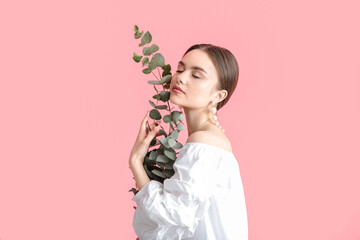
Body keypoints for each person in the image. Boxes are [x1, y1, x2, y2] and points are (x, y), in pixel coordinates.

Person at [129, 44, 248, 240]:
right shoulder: (208, 141)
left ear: (218, 95)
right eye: (181, 69)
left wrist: (135, 162)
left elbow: (172, 214)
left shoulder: (205, 143)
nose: (181, 78)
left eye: (196, 75)